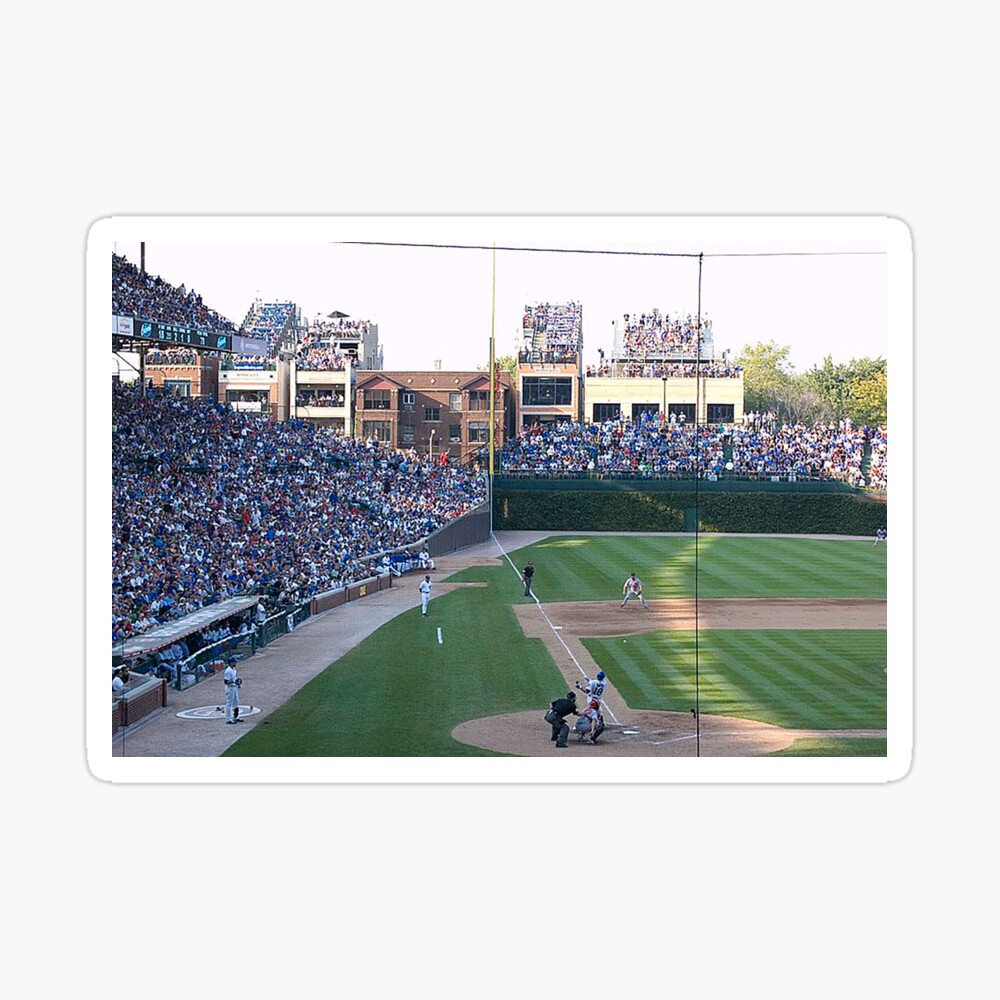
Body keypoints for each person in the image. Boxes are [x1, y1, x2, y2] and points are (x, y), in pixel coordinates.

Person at [223, 655, 242, 723]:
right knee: (229, 703)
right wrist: (234, 681)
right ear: (231, 663)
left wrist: (237, 684)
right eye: (234, 662)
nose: (235, 663)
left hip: (234, 688)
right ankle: (228, 719)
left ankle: (236, 716)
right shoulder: (228, 671)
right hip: (230, 688)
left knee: (236, 702)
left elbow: (235, 678)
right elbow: (226, 681)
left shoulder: (234, 670)